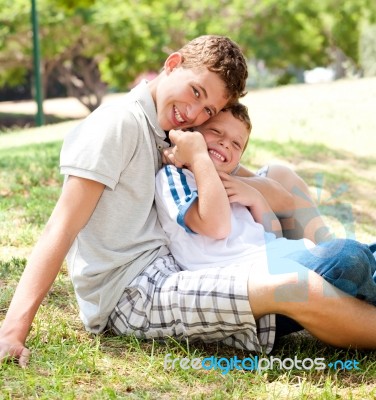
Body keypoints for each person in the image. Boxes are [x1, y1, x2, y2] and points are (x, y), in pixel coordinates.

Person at [1, 35, 376, 368]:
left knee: (285, 181)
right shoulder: (117, 124)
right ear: (173, 63)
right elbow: (61, 226)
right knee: (294, 284)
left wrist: (255, 190)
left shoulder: (172, 130)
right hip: (132, 294)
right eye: (196, 92)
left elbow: (274, 188)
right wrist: (14, 329)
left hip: (179, 267)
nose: (195, 113)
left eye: (209, 111)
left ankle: (352, 267)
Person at [155, 103, 376, 308]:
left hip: (284, 256)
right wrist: (198, 156)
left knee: (363, 254)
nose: (225, 143)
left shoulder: (230, 183)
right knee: (351, 256)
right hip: (256, 275)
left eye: (236, 144)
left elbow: (272, 237)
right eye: (216, 132)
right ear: (191, 136)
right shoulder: (176, 177)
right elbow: (218, 227)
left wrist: (255, 198)